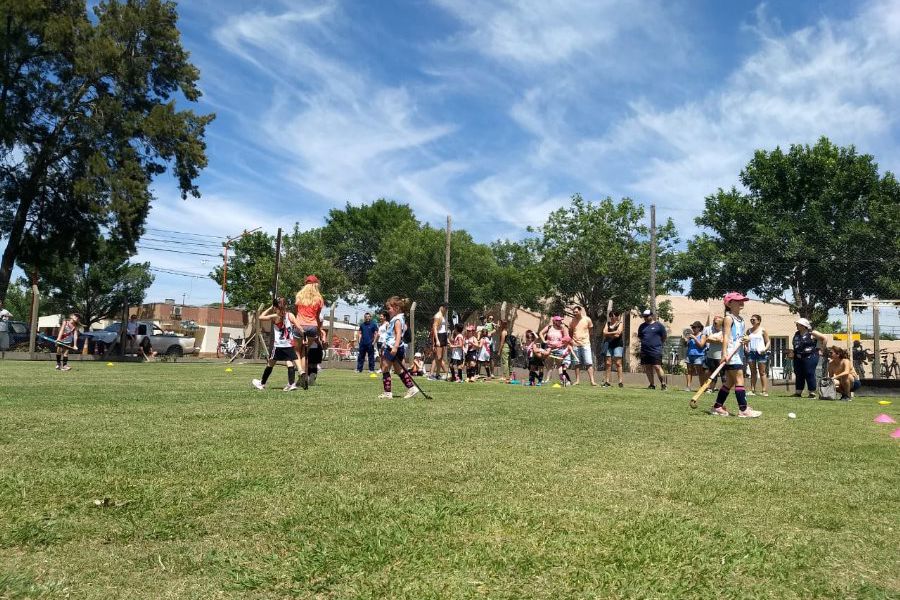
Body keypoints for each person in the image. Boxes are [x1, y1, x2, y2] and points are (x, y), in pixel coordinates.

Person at [711, 292, 761, 418]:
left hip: (738, 353)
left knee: (730, 382)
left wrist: (745, 339)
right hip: (731, 354)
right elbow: (726, 336)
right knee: (739, 380)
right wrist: (724, 353)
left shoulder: (741, 320)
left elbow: (739, 336)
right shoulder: (729, 318)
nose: (741, 302)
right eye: (738, 300)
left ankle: (717, 406)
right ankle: (743, 409)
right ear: (729, 303)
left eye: (742, 300)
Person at [252, 299, 303, 391]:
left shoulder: (275, 316)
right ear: (286, 306)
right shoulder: (290, 315)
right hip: (289, 344)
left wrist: (270, 308)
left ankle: (262, 383)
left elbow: (260, 317)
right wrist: (304, 335)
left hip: (279, 345)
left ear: (275, 307)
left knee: (270, 363)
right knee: (289, 362)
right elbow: (299, 327)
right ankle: (291, 383)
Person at [378, 296, 419, 399]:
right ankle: (411, 388)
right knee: (398, 369)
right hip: (396, 347)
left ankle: (387, 393)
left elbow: (398, 334)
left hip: (393, 347)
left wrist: (395, 347)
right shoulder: (399, 318)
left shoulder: (397, 320)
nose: (388, 311)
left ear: (396, 308)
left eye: (389, 308)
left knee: (384, 367)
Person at [294, 275, 325, 389]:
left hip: (300, 325)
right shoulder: (319, 298)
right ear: (316, 284)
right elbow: (317, 316)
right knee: (305, 353)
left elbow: (296, 311)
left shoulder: (299, 296)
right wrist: (318, 330)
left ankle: (301, 372)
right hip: (312, 326)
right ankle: (303, 377)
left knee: (296, 351)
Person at [791, 317, 827, 398]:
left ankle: (812, 392)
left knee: (809, 373)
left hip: (810, 356)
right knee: (799, 373)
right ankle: (798, 392)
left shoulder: (812, 333)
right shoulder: (797, 334)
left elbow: (824, 338)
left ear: (804, 326)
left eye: (798, 324)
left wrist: (822, 350)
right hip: (798, 356)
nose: (796, 326)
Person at [637, 309, 667, 390]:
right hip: (645, 350)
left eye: (647, 316)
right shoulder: (642, 326)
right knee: (647, 367)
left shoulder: (659, 326)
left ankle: (663, 384)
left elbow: (664, 337)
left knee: (657, 366)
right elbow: (640, 336)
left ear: (652, 316)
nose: (645, 318)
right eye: (644, 316)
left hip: (656, 350)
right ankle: (652, 384)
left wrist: (658, 344)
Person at [568, 305, 596, 386]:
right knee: (577, 363)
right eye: (574, 312)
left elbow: (590, 330)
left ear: (580, 311)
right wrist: (572, 340)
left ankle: (592, 381)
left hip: (585, 344)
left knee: (589, 363)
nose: (575, 313)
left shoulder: (587, 319)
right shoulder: (572, 321)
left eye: (576, 312)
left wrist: (586, 338)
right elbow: (570, 332)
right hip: (575, 344)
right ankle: (577, 381)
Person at [746, 314, 770, 397]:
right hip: (751, 353)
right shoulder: (749, 331)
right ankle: (752, 390)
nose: (752, 321)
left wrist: (765, 349)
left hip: (761, 353)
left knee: (762, 372)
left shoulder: (763, 330)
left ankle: (764, 391)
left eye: (754, 320)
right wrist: (746, 348)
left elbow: (768, 342)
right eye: (751, 319)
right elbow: (745, 341)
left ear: (759, 321)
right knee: (753, 372)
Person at [699, 316, 724, 394]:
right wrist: (717, 340)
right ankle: (711, 388)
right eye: (714, 321)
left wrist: (713, 339)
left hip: (721, 355)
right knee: (712, 372)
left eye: (716, 322)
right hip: (711, 355)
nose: (714, 323)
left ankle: (725, 390)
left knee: (723, 373)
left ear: (721, 323)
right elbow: (708, 339)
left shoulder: (724, 330)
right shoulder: (708, 329)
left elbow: (722, 340)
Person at [602, 311, 624, 388]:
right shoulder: (607, 324)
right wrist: (613, 333)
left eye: (613, 315)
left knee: (618, 363)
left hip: (618, 345)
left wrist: (609, 333)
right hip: (608, 345)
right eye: (611, 316)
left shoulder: (620, 323)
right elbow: (604, 332)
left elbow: (618, 334)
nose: (612, 317)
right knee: (608, 363)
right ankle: (607, 381)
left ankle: (620, 381)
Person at [683, 321, 705, 392]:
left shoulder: (702, 335)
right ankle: (688, 386)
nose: (693, 329)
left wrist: (695, 338)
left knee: (700, 372)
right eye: (692, 327)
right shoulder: (691, 336)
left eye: (694, 327)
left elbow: (701, 346)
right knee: (689, 371)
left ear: (699, 328)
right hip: (690, 355)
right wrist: (686, 340)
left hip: (698, 356)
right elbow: (686, 345)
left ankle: (702, 387)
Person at [429, 304, 449, 380]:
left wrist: (446, 339)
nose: (446, 310)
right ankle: (431, 374)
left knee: (440, 358)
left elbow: (443, 328)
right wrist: (437, 340)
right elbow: (434, 328)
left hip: (443, 335)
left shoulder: (442, 315)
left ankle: (437, 374)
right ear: (442, 307)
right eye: (445, 308)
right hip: (439, 336)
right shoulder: (438, 316)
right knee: (437, 357)